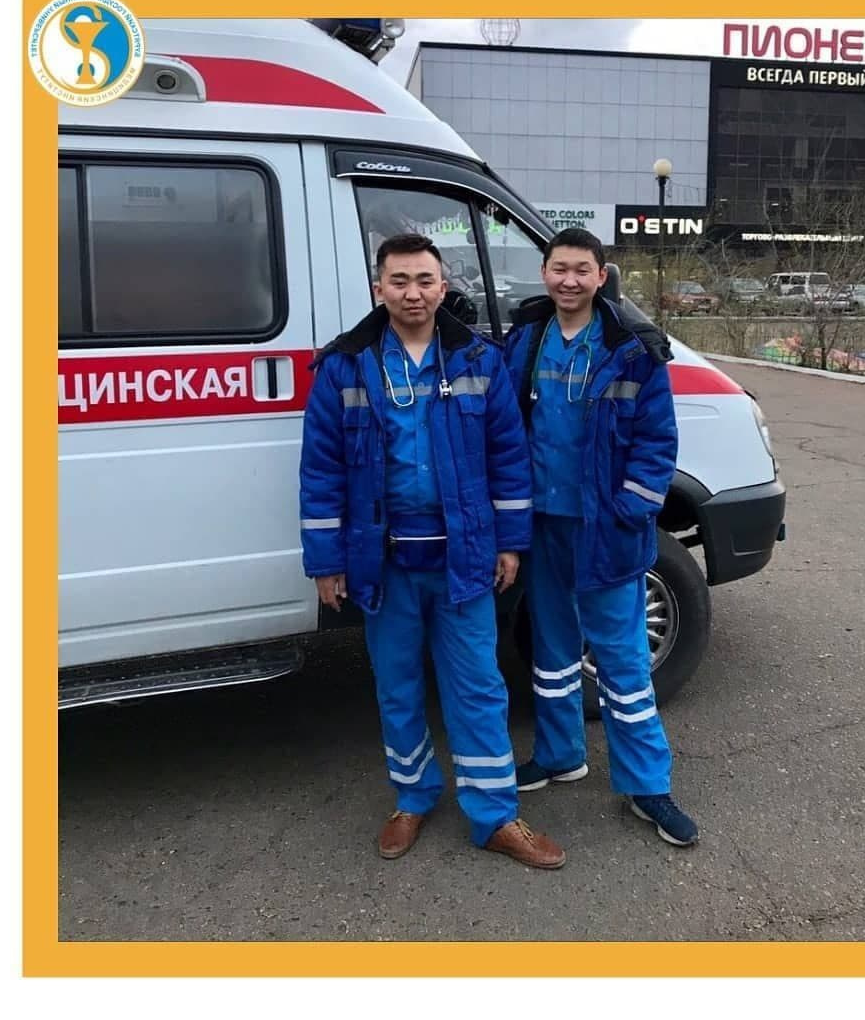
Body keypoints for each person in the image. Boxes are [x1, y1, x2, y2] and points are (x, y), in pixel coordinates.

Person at [299, 233, 565, 870]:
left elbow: (508, 457)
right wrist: (326, 561)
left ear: (443, 287)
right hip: (383, 561)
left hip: (463, 559)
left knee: (478, 687)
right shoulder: (344, 366)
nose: (412, 293)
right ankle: (413, 797)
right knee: (397, 685)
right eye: (399, 281)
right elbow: (321, 470)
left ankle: (494, 815)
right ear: (379, 289)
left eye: (424, 280)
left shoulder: (479, 361)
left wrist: (510, 543)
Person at [502, 227, 699, 847]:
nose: (569, 281)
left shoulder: (633, 349)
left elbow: (657, 443)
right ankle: (560, 754)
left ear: (601, 276)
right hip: (543, 526)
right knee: (553, 651)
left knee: (623, 660)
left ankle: (647, 786)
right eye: (559, 268)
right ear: (544, 272)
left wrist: (628, 512)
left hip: (606, 531)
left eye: (581, 270)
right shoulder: (525, 340)